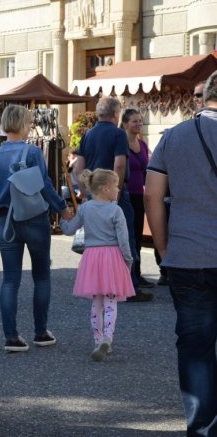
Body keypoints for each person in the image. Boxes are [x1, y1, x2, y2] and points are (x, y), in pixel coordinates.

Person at [145, 70, 217, 437]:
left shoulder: (173, 137)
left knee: (195, 348)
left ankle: (202, 428)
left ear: (205, 97)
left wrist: (162, 247)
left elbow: (152, 194)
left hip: (189, 256)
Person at [0, 105, 72, 352]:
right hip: (34, 219)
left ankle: (11, 337)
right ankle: (40, 332)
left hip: (6, 221)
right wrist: (63, 208)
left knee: (10, 280)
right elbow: (44, 184)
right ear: (23, 125)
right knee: (41, 276)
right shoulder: (32, 152)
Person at [76, 97, 153, 302]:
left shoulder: (88, 134)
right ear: (115, 114)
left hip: (94, 192)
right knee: (124, 238)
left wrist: (84, 191)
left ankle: (103, 285)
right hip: (114, 191)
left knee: (101, 241)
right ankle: (129, 287)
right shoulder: (118, 134)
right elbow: (119, 164)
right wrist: (116, 194)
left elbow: (79, 167)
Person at [60, 169, 135, 361]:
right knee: (111, 301)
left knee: (96, 302)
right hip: (112, 258)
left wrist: (62, 217)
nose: (118, 189)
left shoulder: (85, 208)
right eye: (116, 186)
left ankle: (97, 339)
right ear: (105, 188)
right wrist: (128, 261)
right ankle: (108, 339)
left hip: (91, 258)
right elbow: (124, 241)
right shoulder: (116, 210)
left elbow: (69, 230)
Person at [121, 108, 154, 288]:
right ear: (125, 124)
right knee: (126, 236)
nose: (138, 124)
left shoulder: (142, 144)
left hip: (138, 195)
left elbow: (146, 169)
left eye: (140, 121)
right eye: (134, 121)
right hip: (124, 194)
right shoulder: (121, 143)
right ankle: (127, 275)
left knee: (137, 235)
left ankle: (137, 273)